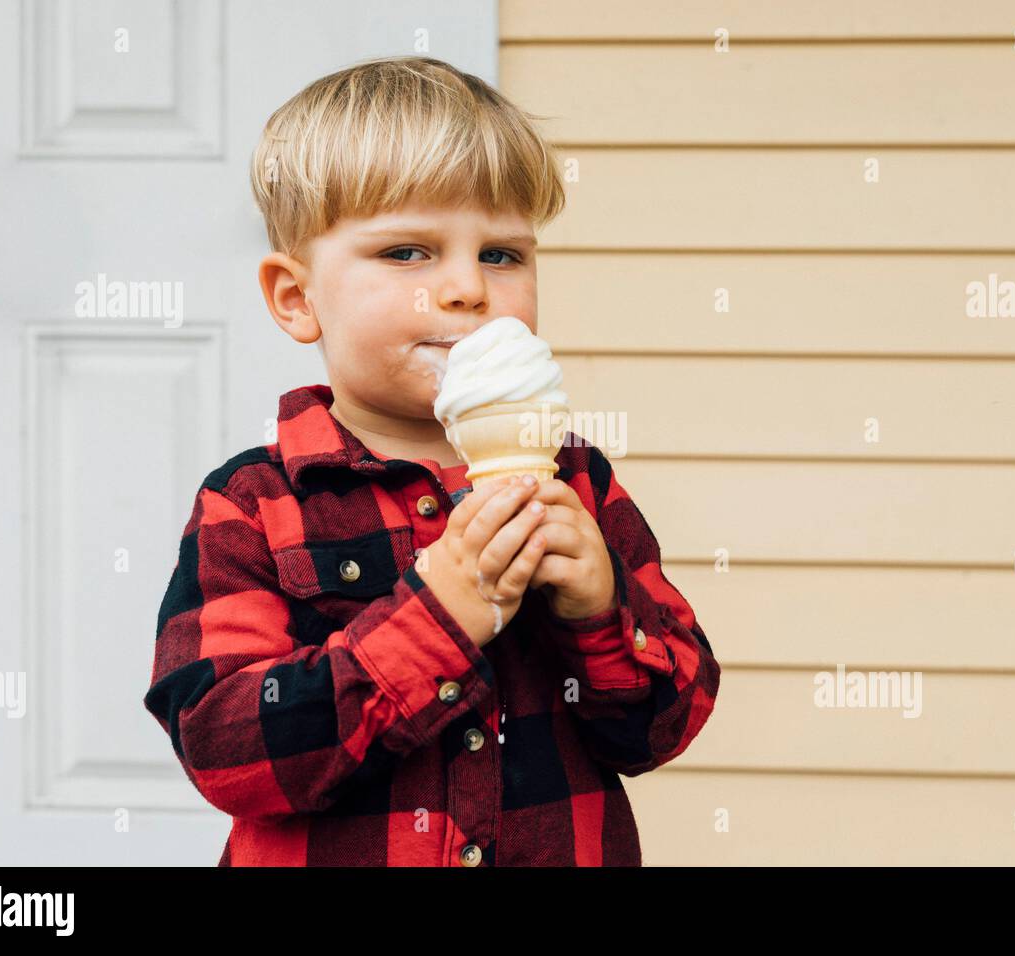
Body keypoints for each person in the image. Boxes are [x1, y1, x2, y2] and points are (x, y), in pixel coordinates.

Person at [142, 55, 720, 866]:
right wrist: (434, 620)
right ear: (296, 298)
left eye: (502, 255)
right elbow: (226, 748)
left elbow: (662, 726)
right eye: (409, 253)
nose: (465, 289)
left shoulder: (576, 480)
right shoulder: (252, 504)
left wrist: (599, 607)